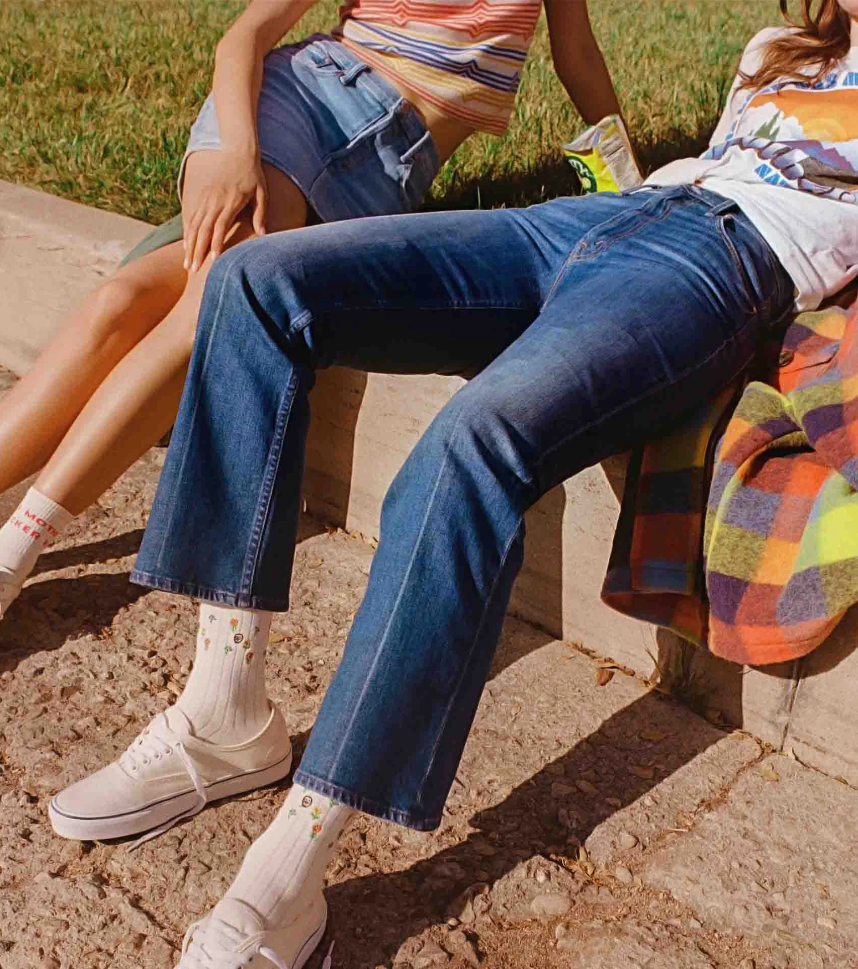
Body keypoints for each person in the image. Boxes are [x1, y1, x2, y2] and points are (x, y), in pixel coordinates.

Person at [52, 0, 858, 969]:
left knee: (470, 444)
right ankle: (224, 708)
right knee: (259, 283)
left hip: (718, 271)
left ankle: (286, 876)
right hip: (603, 218)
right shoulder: (779, 53)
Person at [0, 0, 623, 621]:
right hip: (288, 110)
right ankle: (15, 550)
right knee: (205, 307)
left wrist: (629, 177)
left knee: (130, 299)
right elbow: (243, 37)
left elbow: (579, 54)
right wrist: (240, 155)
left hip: (377, 176)